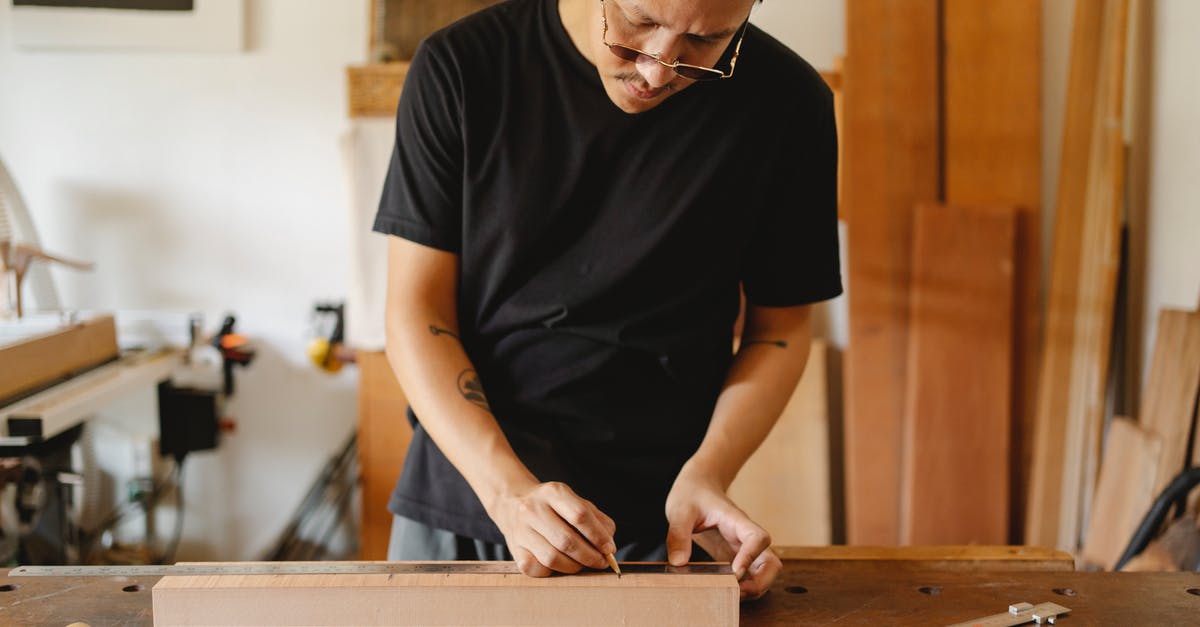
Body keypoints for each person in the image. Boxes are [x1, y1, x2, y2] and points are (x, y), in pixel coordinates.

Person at [373, 0, 840, 600]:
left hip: (659, 517)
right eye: (639, 24)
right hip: (471, 490)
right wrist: (507, 492)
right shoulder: (462, 66)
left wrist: (710, 473)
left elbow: (781, 327)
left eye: (707, 42)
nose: (659, 71)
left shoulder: (789, 102)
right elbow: (417, 312)